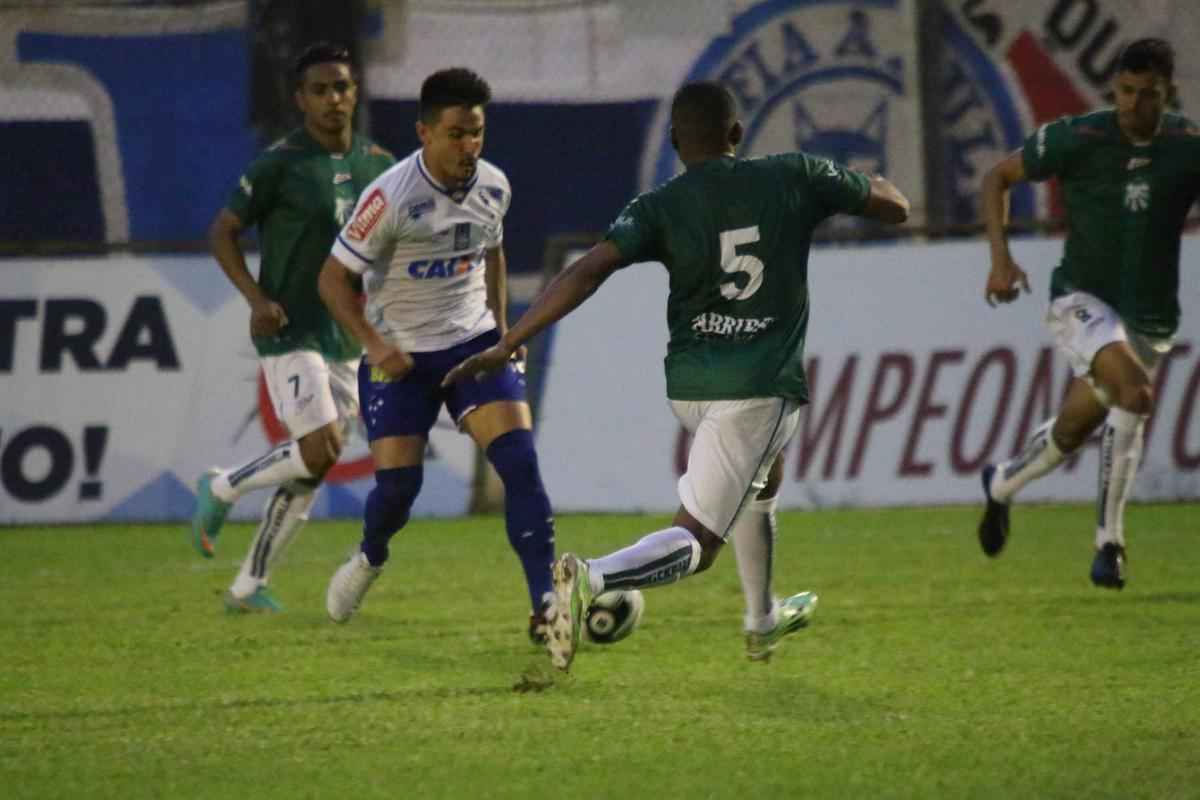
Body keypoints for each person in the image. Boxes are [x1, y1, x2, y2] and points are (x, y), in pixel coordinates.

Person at [443, 80, 910, 671]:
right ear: (737, 134)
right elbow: (894, 207)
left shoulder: (659, 204)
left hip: (690, 387)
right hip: (757, 386)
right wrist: (871, 186)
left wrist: (509, 340)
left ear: (674, 141)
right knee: (700, 542)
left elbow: (586, 271)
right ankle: (592, 577)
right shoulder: (793, 173)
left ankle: (761, 618)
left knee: (764, 478)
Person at [317, 68, 557, 643]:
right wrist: (376, 346)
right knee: (398, 493)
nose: (468, 147)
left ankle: (547, 606)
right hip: (399, 357)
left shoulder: (494, 186)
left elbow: (492, 255)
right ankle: (370, 555)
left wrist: (502, 333)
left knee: (520, 465)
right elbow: (331, 280)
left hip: (471, 345)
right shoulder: (390, 197)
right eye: (455, 134)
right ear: (424, 132)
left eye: (476, 133)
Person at [976, 38, 1199, 590]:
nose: (1132, 104)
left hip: (1149, 317)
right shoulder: (1080, 137)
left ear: (1168, 93)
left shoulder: (1188, 146)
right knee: (1136, 395)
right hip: (1080, 298)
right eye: (1125, 91)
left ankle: (1001, 483)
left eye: (1147, 94)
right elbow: (996, 178)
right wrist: (1001, 261)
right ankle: (1110, 543)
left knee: (1076, 428)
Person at [190, 43, 395, 612]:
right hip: (290, 328)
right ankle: (223, 485)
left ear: (356, 93)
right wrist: (255, 298)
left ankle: (247, 588)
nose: (334, 98)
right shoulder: (279, 163)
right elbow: (222, 231)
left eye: (343, 87)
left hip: (348, 336)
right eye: (321, 89)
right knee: (317, 446)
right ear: (301, 99)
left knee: (317, 462)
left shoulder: (381, 165)